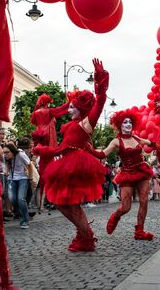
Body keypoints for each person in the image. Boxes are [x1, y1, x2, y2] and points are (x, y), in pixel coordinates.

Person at [34, 58, 109, 252]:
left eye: (72, 107)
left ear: (81, 108)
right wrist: (44, 150)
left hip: (75, 165)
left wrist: (99, 79)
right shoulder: (72, 126)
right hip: (66, 163)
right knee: (67, 203)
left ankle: (87, 237)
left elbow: (100, 102)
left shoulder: (86, 123)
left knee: (63, 203)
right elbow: (62, 148)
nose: (69, 110)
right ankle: (84, 235)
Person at [89, 108, 155, 241]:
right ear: (120, 125)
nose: (128, 124)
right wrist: (88, 149)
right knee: (126, 207)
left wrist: (159, 146)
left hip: (142, 171)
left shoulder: (136, 138)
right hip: (127, 174)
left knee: (144, 201)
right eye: (125, 122)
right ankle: (116, 216)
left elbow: (150, 143)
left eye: (130, 122)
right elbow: (103, 154)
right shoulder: (116, 142)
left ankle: (139, 231)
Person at [3, 143, 33, 229]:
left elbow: (29, 165)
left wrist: (30, 178)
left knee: (21, 199)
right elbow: (7, 165)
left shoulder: (20, 154)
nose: (5, 154)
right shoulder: (6, 157)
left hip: (23, 178)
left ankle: (25, 220)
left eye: (7, 152)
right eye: (4, 152)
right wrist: (6, 171)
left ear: (12, 151)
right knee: (12, 199)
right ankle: (23, 214)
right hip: (11, 179)